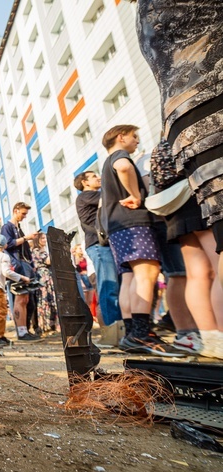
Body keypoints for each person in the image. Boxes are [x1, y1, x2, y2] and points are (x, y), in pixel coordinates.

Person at [135, 0, 223, 359]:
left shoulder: (165, 143)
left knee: (194, 273)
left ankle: (208, 338)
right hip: (189, 202)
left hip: (177, 210)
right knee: (211, 268)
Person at [100, 125, 184, 357]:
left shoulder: (105, 164)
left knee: (129, 279)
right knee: (146, 274)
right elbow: (124, 167)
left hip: (117, 227)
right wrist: (136, 195)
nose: (137, 141)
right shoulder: (120, 156)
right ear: (121, 137)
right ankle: (141, 334)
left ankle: (131, 334)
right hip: (134, 222)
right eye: (134, 136)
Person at [73, 170, 122, 329]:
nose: (99, 178)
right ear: (85, 183)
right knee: (109, 287)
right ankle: (113, 330)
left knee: (113, 287)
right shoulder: (86, 196)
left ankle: (118, 328)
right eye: (94, 176)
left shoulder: (92, 196)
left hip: (103, 244)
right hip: (98, 245)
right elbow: (112, 195)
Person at [1, 202, 40, 341]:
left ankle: (25, 330)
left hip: (25, 265)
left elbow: (23, 248)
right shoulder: (7, 227)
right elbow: (7, 244)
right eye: (23, 213)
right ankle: (22, 332)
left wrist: (31, 263)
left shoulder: (18, 228)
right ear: (15, 210)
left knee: (26, 299)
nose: (24, 216)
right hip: (17, 266)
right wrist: (26, 238)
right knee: (20, 298)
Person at [0, 235, 29, 345]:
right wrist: (21, 277)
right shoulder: (4, 256)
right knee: (1, 312)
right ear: (5, 245)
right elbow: (6, 272)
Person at [31, 232, 58, 334]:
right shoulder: (36, 251)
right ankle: (45, 326)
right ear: (37, 240)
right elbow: (48, 261)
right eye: (42, 238)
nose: (44, 240)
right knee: (44, 300)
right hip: (42, 277)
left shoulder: (43, 250)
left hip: (48, 275)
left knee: (51, 300)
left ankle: (52, 325)